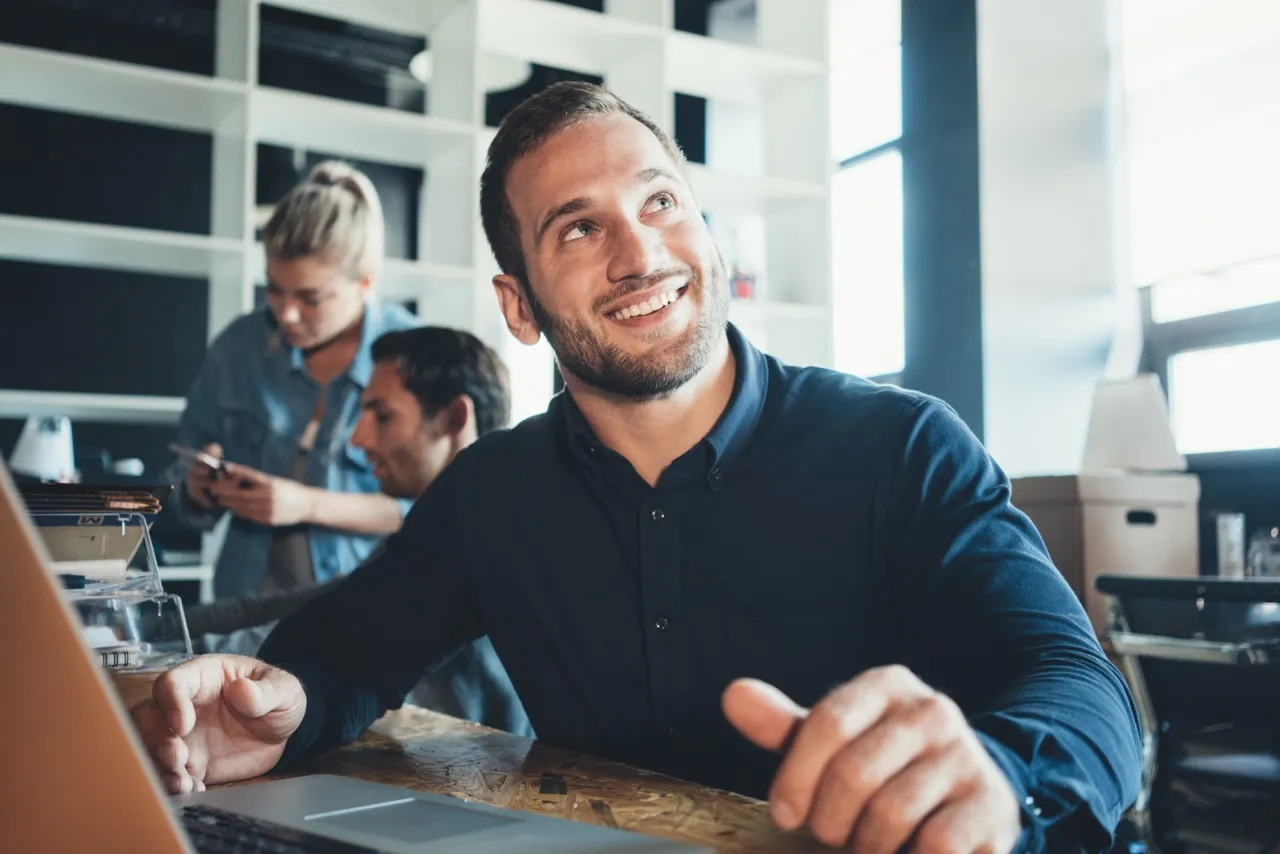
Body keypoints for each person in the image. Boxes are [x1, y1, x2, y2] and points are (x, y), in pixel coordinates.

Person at [135, 83, 1141, 852]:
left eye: (659, 200)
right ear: (518, 304)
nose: (639, 252)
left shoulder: (903, 444)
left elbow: (1078, 689)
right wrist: (282, 705)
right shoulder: (491, 493)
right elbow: (356, 642)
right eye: (578, 227)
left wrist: (997, 775)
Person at [170, 327, 531, 736]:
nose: (358, 438)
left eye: (383, 415)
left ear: (455, 419)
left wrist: (166, 656)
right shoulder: (437, 532)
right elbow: (303, 608)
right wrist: (154, 627)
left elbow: (326, 646)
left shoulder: (482, 539)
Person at [168, 161, 417, 600]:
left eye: (310, 298)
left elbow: (431, 509)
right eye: (274, 289)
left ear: (365, 282)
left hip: (364, 608)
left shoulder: (411, 357)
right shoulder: (238, 348)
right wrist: (197, 488)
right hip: (243, 607)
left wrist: (304, 504)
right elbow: (178, 483)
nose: (287, 314)